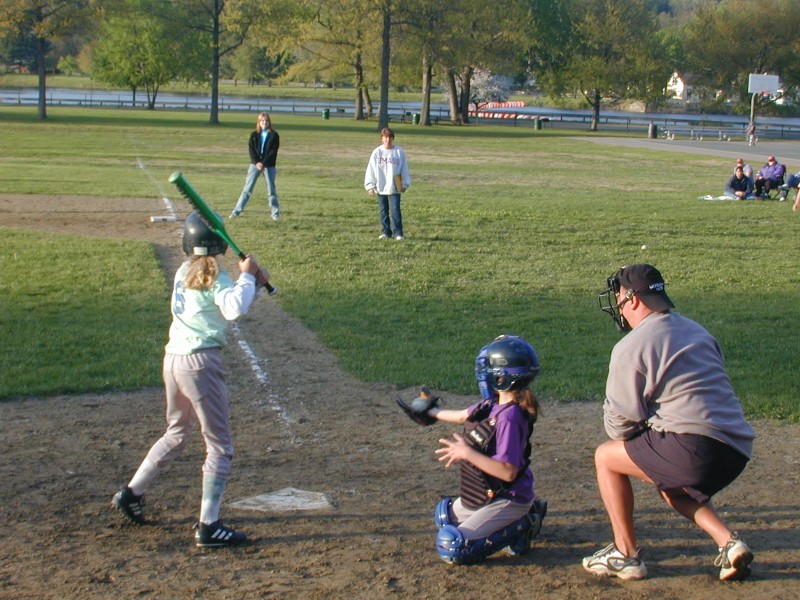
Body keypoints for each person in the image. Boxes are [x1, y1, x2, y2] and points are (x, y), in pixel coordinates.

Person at [586, 264, 755, 581]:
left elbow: (619, 428)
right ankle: (730, 544)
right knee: (672, 486)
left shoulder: (631, 346)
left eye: (620, 296)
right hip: (736, 449)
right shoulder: (697, 330)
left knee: (606, 457)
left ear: (633, 299)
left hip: (694, 449)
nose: (619, 305)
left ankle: (625, 556)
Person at [112, 211, 271, 547]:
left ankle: (131, 493)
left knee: (177, 432)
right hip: (200, 364)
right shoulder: (219, 277)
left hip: (173, 360)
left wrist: (252, 284)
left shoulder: (184, 272)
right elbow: (233, 309)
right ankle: (209, 525)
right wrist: (248, 277)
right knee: (220, 446)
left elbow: (223, 305)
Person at [425, 335, 548, 565]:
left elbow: (508, 472)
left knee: (452, 546)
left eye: (489, 369)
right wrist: (430, 412)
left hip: (509, 497)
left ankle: (525, 523)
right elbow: (463, 415)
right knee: (444, 517)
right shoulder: (492, 404)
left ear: (502, 377)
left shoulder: (509, 417)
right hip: (488, 494)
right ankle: (515, 523)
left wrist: (467, 453)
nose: (484, 374)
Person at [230, 112, 281, 220]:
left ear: (269, 122)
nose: (264, 122)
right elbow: (251, 150)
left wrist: (263, 163)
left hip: (269, 166)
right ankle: (236, 212)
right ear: (259, 122)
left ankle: (275, 214)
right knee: (247, 189)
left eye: (266, 120)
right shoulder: (254, 135)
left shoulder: (274, 135)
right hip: (255, 165)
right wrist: (257, 162)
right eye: (262, 120)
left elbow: (272, 152)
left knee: (271, 191)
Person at [364, 127, 410, 240]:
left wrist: (405, 184)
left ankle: (398, 233)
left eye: (389, 137)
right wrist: (370, 186)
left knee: (395, 209)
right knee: (383, 209)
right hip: (381, 184)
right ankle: (386, 232)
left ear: (392, 138)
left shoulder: (399, 152)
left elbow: (404, 169)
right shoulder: (377, 152)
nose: (387, 140)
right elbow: (371, 169)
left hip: (395, 184)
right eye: (385, 137)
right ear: (382, 139)